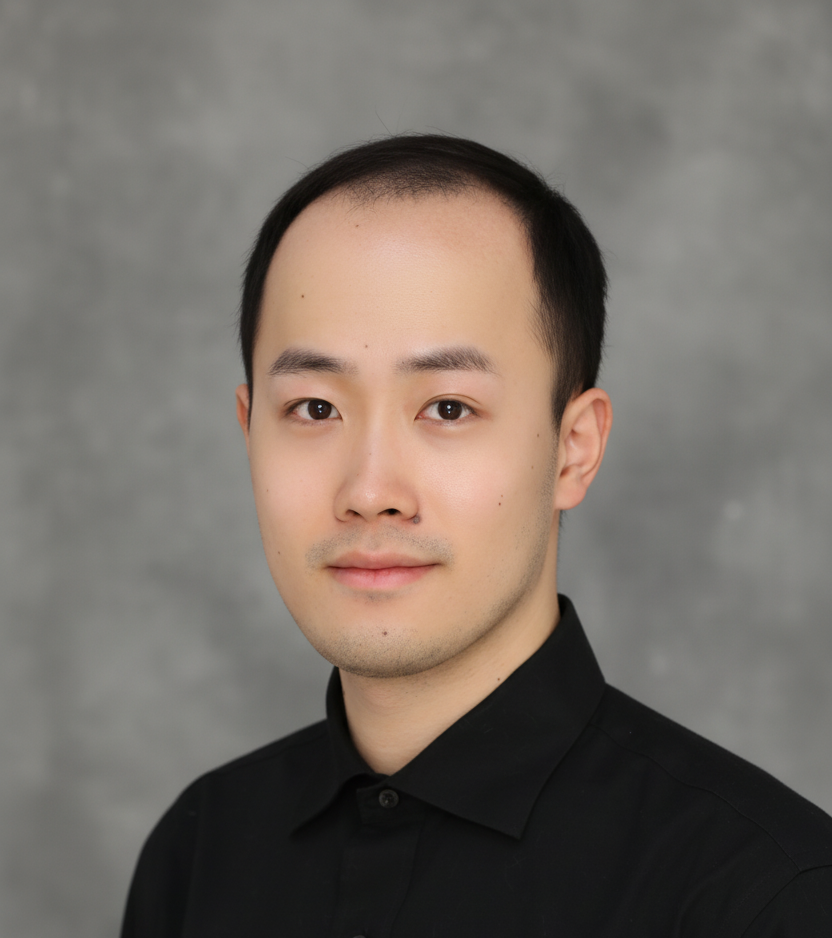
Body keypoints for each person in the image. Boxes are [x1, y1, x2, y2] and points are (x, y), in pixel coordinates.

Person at [120, 135, 832, 937]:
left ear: (574, 449)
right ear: (249, 433)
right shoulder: (199, 853)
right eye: (315, 409)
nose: (370, 493)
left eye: (448, 409)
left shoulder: (768, 897)